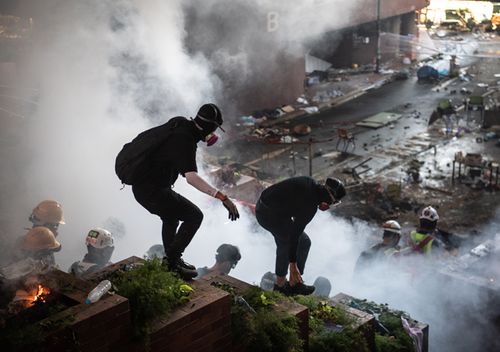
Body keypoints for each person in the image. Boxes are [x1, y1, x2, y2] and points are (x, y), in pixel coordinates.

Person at [131, 103, 240, 279]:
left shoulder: (180, 124)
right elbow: (191, 178)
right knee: (195, 216)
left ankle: (172, 261)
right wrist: (223, 197)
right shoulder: (185, 140)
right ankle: (172, 261)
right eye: (213, 129)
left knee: (171, 216)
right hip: (152, 191)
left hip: (144, 188)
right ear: (208, 127)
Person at [255, 176, 346, 296]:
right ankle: (282, 286)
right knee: (286, 242)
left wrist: (294, 264)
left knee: (304, 242)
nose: (329, 205)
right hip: (268, 214)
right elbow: (294, 235)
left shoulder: (309, 182)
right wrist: (293, 264)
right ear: (329, 196)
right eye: (333, 202)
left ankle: (295, 282)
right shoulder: (310, 206)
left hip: (270, 209)